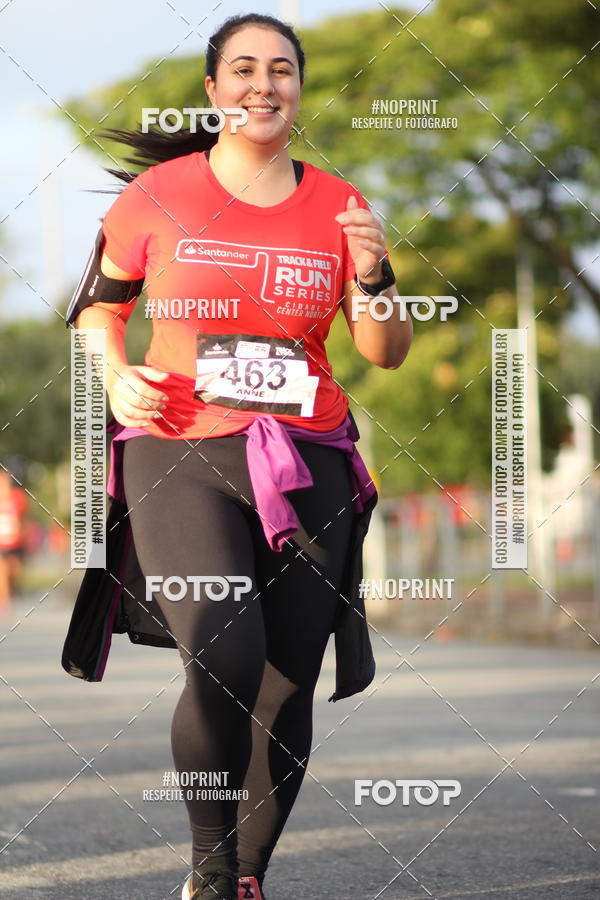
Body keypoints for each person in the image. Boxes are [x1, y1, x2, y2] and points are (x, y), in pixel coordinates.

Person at [73, 13, 412, 899]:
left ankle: (245, 878)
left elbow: (385, 352)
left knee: (286, 682)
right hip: (179, 448)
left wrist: (375, 276)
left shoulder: (340, 204)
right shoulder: (157, 197)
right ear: (215, 88)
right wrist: (114, 373)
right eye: (245, 69)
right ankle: (210, 866)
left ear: (299, 88)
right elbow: (98, 309)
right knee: (222, 652)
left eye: (282, 70)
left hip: (307, 457)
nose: (265, 85)